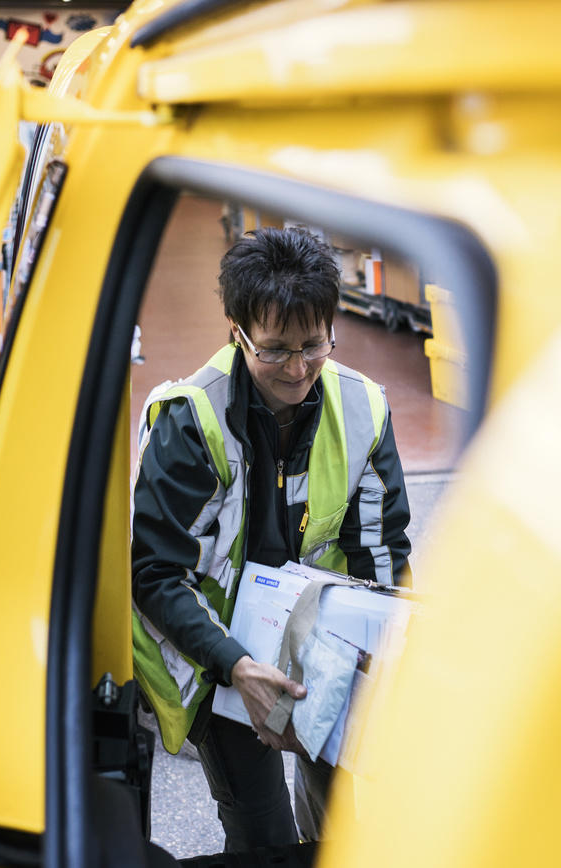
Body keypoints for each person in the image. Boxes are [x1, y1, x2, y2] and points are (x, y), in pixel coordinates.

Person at [130, 227, 412, 850]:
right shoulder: (191, 419)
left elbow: (382, 548)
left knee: (344, 829)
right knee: (265, 839)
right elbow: (153, 572)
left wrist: (385, 656)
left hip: (325, 640)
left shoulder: (363, 407)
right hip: (221, 655)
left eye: (314, 345)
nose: (297, 368)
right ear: (236, 330)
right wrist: (236, 666)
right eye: (275, 349)